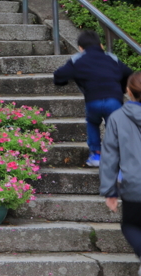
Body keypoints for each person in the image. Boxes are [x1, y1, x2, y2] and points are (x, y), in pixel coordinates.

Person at [56, 29, 134, 167]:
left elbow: (59, 75)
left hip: (93, 101)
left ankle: (96, 154)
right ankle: (118, 158)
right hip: (114, 101)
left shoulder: (78, 59)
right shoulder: (112, 58)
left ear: (81, 48)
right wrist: (121, 89)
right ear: (101, 45)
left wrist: (63, 81)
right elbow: (129, 74)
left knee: (92, 122)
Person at [100, 71, 141, 264]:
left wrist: (110, 191)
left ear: (128, 91)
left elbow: (110, 156)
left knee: (131, 226)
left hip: (134, 185)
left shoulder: (117, 118)